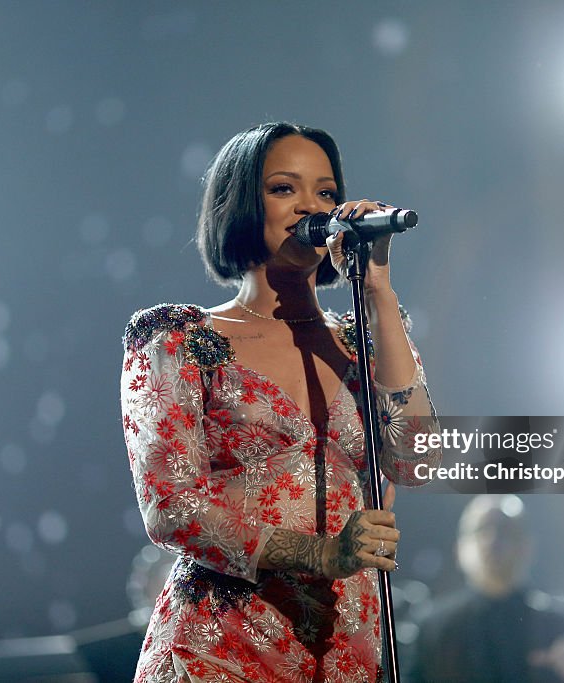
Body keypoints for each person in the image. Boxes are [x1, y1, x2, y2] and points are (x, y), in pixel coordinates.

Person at [120, 122, 440, 682]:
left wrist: (378, 292)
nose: (310, 207)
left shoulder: (363, 340)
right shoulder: (180, 339)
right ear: (240, 204)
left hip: (344, 647)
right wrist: (318, 554)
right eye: (284, 189)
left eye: (326, 192)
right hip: (222, 645)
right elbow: (170, 506)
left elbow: (417, 460)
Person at [405, 495, 564, 682]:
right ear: (459, 549)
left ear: (528, 546)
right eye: (481, 530)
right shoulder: (432, 628)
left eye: (505, 530)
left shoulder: (561, 626)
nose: (492, 540)